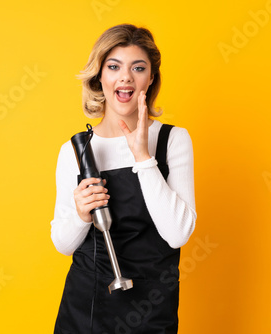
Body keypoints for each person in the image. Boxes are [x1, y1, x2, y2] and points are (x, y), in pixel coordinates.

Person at [51, 24, 197, 334]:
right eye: (114, 66)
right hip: (85, 308)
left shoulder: (173, 140)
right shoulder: (75, 151)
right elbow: (63, 244)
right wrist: (80, 214)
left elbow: (178, 234)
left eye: (138, 68)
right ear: (99, 77)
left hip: (152, 308)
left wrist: (143, 156)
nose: (125, 77)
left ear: (151, 78)